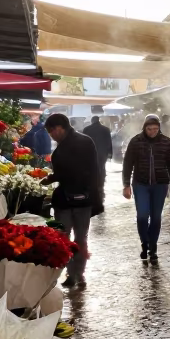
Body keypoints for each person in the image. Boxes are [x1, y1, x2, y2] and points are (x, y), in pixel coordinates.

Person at [44, 114, 104, 287]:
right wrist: (95, 197)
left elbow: (71, 171)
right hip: (84, 199)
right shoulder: (85, 141)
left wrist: (52, 178)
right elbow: (95, 171)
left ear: (59, 128)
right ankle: (77, 273)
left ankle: (72, 273)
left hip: (69, 199)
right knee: (80, 238)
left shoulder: (69, 145)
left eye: (51, 131)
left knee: (64, 237)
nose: (51, 135)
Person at [121, 114, 170, 262]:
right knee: (142, 215)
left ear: (159, 128)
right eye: (149, 129)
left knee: (155, 217)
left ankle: (153, 247)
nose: (153, 132)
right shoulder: (135, 141)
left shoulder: (166, 142)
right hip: (140, 184)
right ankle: (144, 242)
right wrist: (126, 185)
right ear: (144, 128)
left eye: (155, 129)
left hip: (160, 185)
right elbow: (127, 164)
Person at [82, 115, 114, 189]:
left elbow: (83, 142)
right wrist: (110, 153)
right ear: (98, 120)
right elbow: (109, 142)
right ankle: (101, 182)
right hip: (103, 152)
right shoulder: (106, 129)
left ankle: (93, 181)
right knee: (101, 167)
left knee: (91, 167)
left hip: (90, 152)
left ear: (92, 121)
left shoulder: (86, 129)